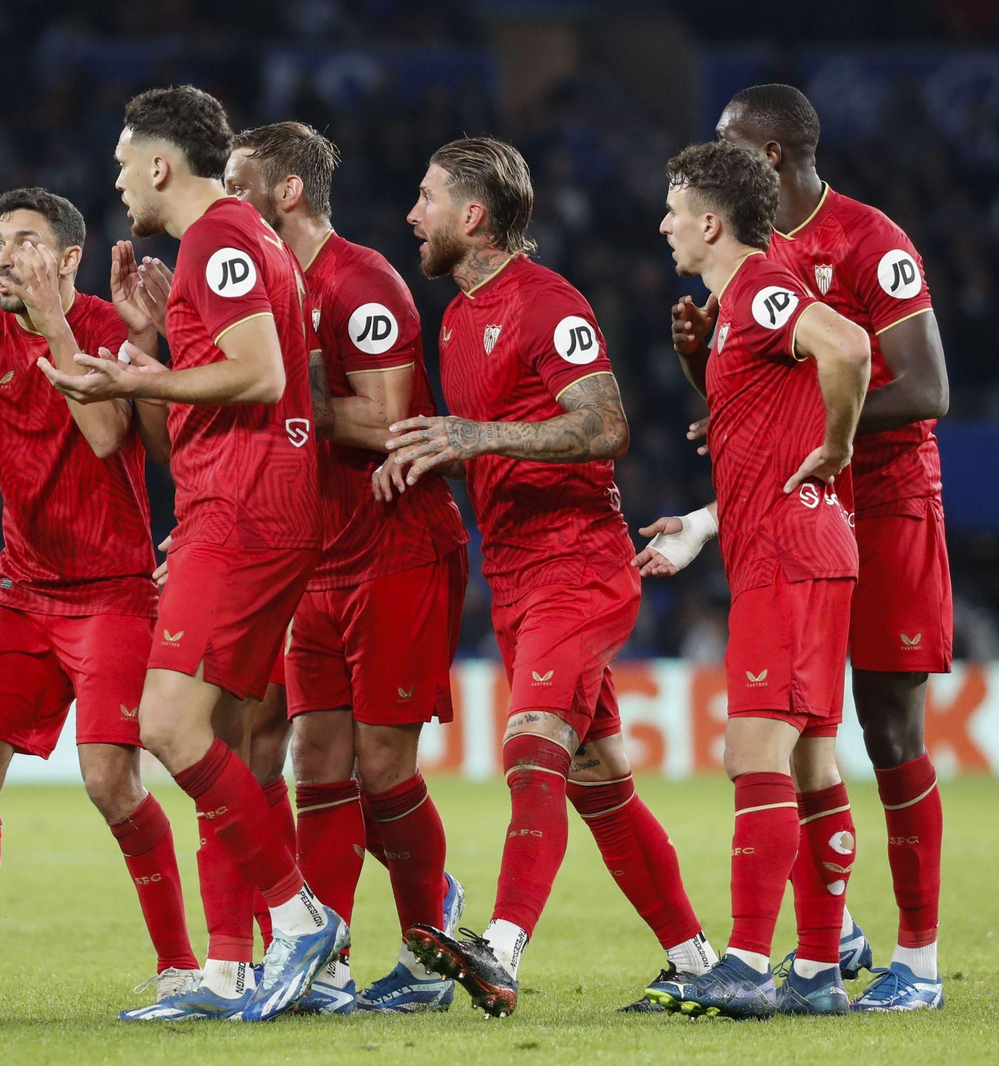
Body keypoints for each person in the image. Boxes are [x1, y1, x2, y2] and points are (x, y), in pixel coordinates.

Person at [384, 137, 713, 1018]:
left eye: (426, 198)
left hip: (578, 560)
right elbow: (487, 440)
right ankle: (693, 958)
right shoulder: (454, 319)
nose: (413, 215)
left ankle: (499, 949)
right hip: (515, 574)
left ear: (474, 216)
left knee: (532, 746)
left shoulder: (546, 302)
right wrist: (434, 450)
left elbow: (604, 425)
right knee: (599, 781)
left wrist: (474, 436)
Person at [37, 85, 343, 1023]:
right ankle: (228, 969)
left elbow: (262, 374)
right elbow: (212, 395)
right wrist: (153, 340)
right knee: (237, 746)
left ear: (161, 164)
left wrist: (136, 373)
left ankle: (298, 921)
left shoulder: (218, 237)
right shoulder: (226, 245)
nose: (119, 180)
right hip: (237, 501)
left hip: (246, 511)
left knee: (168, 727)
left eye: (125, 163)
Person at [649, 84, 953, 1012]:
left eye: (726, 148)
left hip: (883, 499)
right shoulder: (759, 264)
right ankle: (825, 953)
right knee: (814, 744)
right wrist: (715, 370)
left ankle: (917, 959)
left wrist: (829, 434)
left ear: (766, 159)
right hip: (803, 512)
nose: (674, 216)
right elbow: (764, 400)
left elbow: (927, 385)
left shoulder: (868, 242)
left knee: (880, 730)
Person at [0, 187, 199, 1014]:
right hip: (23, 589)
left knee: (109, 780)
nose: (5, 256)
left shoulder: (109, 330)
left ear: (68, 259)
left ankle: (180, 966)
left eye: (26, 241)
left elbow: (108, 440)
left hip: (113, 592)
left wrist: (55, 322)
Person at [225, 122, 469, 1014]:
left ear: (286, 192)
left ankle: (426, 946)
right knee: (313, 758)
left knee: (381, 768)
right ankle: (321, 966)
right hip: (311, 556)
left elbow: (392, 423)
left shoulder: (360, 282)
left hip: (395, 550)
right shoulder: (260, 290)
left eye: (236, 182)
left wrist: (296, 389)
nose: (222, 200)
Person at [644, 139, 870, 1018]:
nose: (664, 225)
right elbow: (765, 436)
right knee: (812, 762)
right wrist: (705, 525)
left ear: (711, 221)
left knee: (754, 754)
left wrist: (840, 445)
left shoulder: (761, 288)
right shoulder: (734, 308)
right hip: (799, 550)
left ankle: (743, 960)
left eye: (674, 211)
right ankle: (817, 971)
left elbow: (847, 347)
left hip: (787, 555)